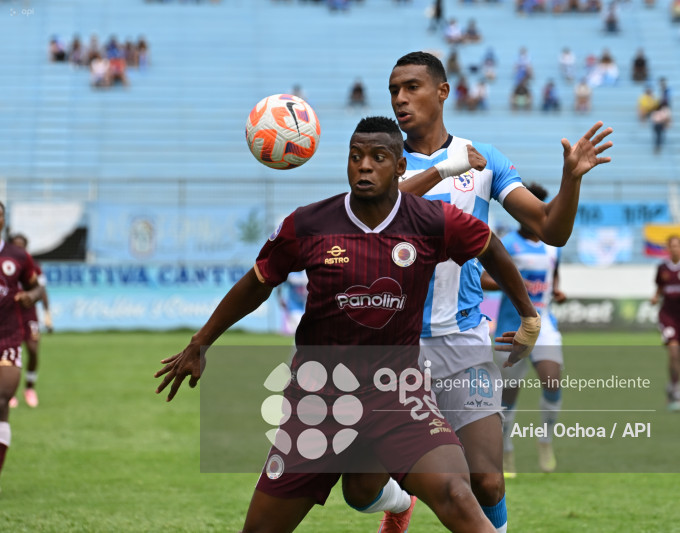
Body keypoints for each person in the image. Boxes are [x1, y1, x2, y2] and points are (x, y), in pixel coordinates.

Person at [155, 117, 541, 533]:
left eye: (377, 157)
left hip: (399, 398)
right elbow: (257, 283)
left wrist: (528, 314)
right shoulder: (309, 224)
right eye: (355, 157)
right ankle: (395, 505)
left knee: (457, 494)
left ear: (399, 167)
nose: (364, 166)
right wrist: (202, 341)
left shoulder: (433, 221)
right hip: (318, 403)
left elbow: (491, 248)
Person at [343, 51, 612, 533]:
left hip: (462, 344)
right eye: (393, 90)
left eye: (411, 87)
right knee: (359, 488)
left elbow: (550, 228)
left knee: (487, 481)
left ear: (442, 92)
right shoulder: (381, 159)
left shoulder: (483, 161)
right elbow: (376, 215)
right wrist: (445, 168)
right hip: (392, 350)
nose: (400, 99)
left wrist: (571, 181)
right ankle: (398, 503)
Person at [481, 182, 567, 475]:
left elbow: (554, 275)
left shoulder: (552, 245)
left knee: (552, 380)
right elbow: (483, 279)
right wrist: (512, 283)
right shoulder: (506, 244)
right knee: (507, 395)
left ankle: (546, 440)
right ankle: (505, 449)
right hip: (511, 326)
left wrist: (558, 290)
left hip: (545, 324)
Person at [0, 202, 44, 487]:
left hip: (7, 337)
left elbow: (38, 286)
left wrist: (33, 296)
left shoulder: (17, 255)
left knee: (1, 399)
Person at [650, 236, 680, 411]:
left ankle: (672, 383)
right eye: (672, 246)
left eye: (678, 246)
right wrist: (656, 296)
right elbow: (660, 286)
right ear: (668, 249)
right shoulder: (662, 268)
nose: (675, 249)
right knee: (673, 351)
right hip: (668, 316)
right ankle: (677, 390)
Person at [8, 234, 52, 409]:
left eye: (22, 247)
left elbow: (41, 290)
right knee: (10, 356)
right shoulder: (5, 262)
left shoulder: (32, 266)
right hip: (9, 315)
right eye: (16, 246)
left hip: (29, 315)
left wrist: (47, 313)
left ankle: (30, 388)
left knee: (33, 350)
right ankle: (9, 392)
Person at [276, 270, 307, 336]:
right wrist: (280, 299)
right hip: (293, 308)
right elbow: (279, 285)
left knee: (303, 335)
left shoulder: (307, 271)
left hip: (305, 307)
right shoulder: (292, 274)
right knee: (303, 332)